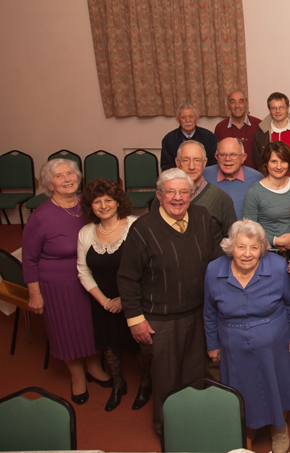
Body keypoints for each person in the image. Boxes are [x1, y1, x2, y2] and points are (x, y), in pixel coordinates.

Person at [118, 168, 217, 434]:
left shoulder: (202, 216)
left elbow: (214, 260)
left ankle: (195, 427)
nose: (177, 198)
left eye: (184, 192)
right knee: (166, 380)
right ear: (159, 195)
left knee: (197, 376)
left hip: (197, 313)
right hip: (160, 320)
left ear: (192, 194)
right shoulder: (142, 229)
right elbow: (126, 278)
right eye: (170, 192)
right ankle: (168, 431)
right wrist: (135, 320)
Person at [204, 220, 290, 453]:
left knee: (276, 383)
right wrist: (212, 344)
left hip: (274, 343)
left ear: (262, 249)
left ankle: (279, 428)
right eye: (241, 247)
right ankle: (248, 425)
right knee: (242, 387)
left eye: (254, 248)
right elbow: (209, 311)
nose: (247, 254)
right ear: (231, 247)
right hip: (232, 344)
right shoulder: (214, 270)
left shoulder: (277, 266)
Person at [24, 159, 110, 405]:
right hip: (58, 283)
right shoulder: (41, 217)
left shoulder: (91, 204)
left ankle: (94, 366)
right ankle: (77, 375)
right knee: (65, 330)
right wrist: (35, 294)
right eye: (59, 176)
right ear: (49, 184)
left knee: (91, 326)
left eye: (70, 173)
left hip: (91, 277)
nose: (67, 179)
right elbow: (29, 259)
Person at [76, 178, 148, 412]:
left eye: (108, 200)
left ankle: (145, 384)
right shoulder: (86, 232)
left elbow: (147, 269)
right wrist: (105, 301)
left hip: (134, 299)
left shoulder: (136, 226)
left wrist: (124, 301)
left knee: (138, 346)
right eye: (97, 201)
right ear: (90, 206)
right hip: (103, 302)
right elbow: (83, 271)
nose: (103, 206)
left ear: (118, 202)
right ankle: (118, 384)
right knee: (108, 346)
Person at [151, 140, 236, 258]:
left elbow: (232, 240)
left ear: (204, 163)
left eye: (197, 160)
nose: (191, 167)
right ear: (177, 162)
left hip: (209, 265)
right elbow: (152, 232)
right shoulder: (164, 197)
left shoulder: (222, 199)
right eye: (186, 160)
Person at [244, 141, 290, 259]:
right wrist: (276, 241)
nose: (279, 166)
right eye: (274, 161)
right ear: (266, 163)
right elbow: (248, 229)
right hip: (267, 253)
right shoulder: (255, 192)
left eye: (283, 161)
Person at [252, 92, 290, 179]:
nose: (278, 111)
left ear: (288, 108)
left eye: (281, 107)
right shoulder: (261, 132)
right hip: (271, 182)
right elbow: (257, 159)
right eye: (274, 108)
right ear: (269, 110)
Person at [203, 137, 263, 219]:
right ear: (216, 157)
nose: (227, 159)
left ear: (243, 157)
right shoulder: (204, 175)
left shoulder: (257, 178)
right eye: (223, 154)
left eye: (233, 155)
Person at [160, 103, 217, 171]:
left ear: (197, 119)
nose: (187, 120)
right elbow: (167, 167)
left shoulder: (209, 137)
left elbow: (214, 165)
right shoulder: (169, 140)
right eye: (183, 117)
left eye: (191, 117)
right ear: (177, 119)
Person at [213, 91, 261, 167]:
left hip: (254, 173)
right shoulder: (220, 127)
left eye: (241, 102)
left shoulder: (258, 125)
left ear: (246, 104)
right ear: (228, 105)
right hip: (228, 172)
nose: (237, 105)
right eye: (233, 102)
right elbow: (218, 156)